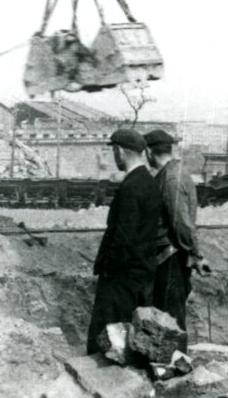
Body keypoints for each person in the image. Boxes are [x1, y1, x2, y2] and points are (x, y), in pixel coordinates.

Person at [86, 129, 162, 354]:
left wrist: (109, 270)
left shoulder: (131, 187)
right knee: (127, 337)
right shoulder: (149, 182)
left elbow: (123, 237)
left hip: (121, 278)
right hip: (140, 273)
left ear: (120, 151)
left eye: (114, 151)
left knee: (107, 338)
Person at [144, 129, 202, 342]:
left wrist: (195, 253)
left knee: (170, 317)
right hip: (174, 256)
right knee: (170, 314)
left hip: (170, 258)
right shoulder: (176, 173)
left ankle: (172, 365)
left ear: (150, 153)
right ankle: (173, 363)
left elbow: (181, 223)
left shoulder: (170, 178)